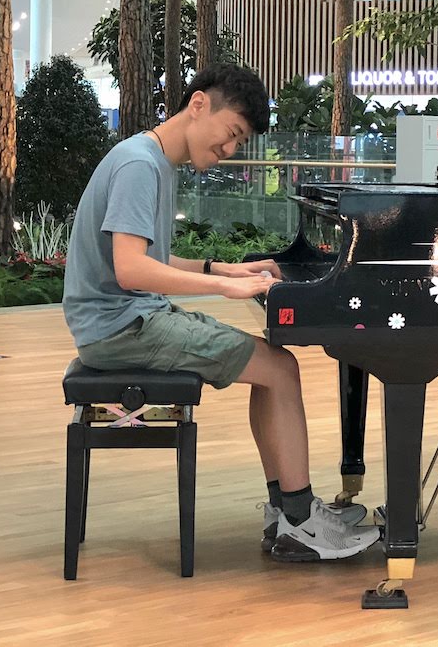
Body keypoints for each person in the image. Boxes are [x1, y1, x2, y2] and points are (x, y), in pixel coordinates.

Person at [62, 63, 379, 563]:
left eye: (240, 142)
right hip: (122, 328)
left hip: (127, 321)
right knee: (279, 367)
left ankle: (286, 511)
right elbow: (130, 270)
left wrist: (222, 267)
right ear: (198, 104)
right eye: (232, 134)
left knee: (272, 365)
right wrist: (220, 287)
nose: (230, 150)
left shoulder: (150, 160)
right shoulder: (140, 166)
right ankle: (299, 520)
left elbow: (150, 257)